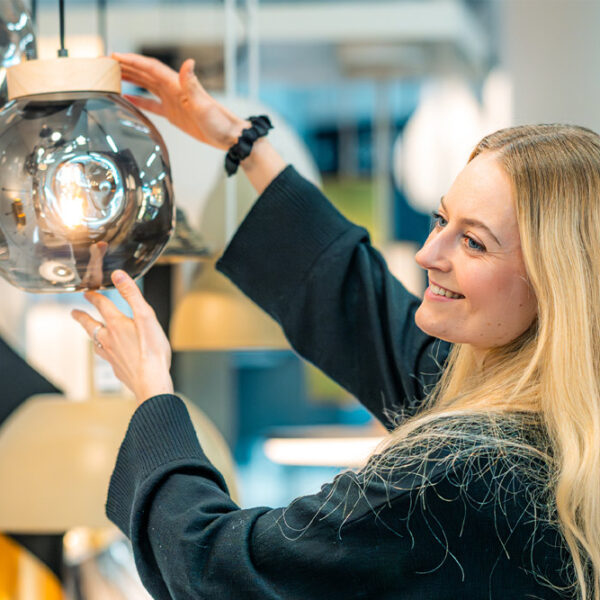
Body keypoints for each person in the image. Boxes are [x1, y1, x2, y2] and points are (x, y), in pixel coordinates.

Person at [70, 53, 600, 599]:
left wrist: (153, 392)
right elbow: (365, 312)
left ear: (555, 282)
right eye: (441, 219)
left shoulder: (462, 474)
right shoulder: (560, 436)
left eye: (473, 242)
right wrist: (244, 145)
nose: (427, 254)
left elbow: (218, 569)